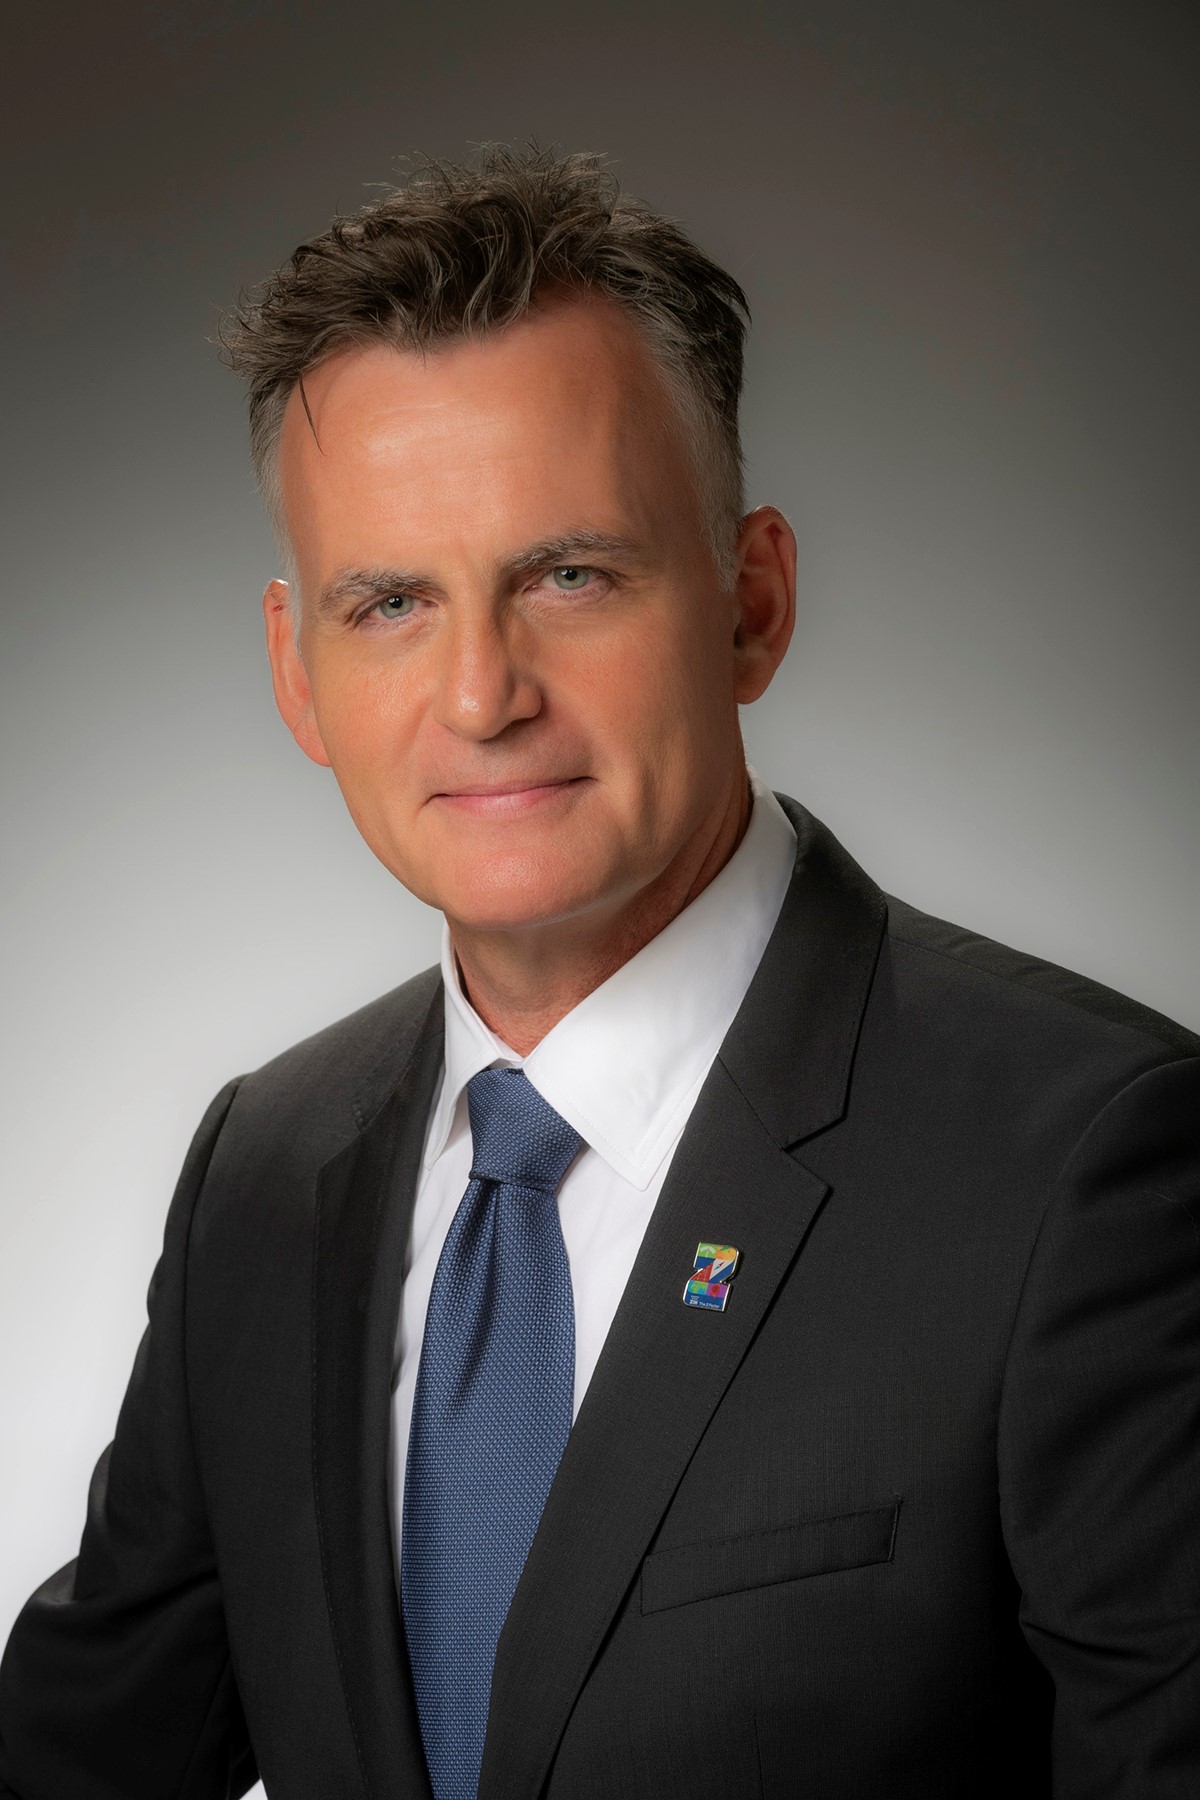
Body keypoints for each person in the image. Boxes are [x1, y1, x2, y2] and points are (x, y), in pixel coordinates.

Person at [1, 143, 1197, 1800]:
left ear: (751, 604)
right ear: (297, 674)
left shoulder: (1087, 1164)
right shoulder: (265, 1174)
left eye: (569, 575)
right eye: (391, 602)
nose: (481, 694)